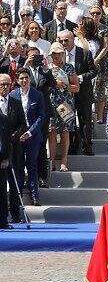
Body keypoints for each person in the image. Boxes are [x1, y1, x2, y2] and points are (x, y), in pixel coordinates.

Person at [10, 68, 44, 206]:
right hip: (18, 136)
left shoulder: (38, 95)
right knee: (18, 166)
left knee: (32, 165)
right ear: (17, 81)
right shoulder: (13, 95)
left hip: (33, 135)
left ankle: (34, 195)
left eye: (26, 78)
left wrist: (30, 132)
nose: (24, 80)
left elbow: (41, 116)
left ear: (30, 79)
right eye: (21, 78)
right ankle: (16, 197)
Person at [0, 73, 28, 228]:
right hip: (0, 148)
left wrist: (13, 136)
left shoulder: (16, 102)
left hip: (13, 147)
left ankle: (15, 215)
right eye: (2, 84)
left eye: (7, 84)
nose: (5, 87)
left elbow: (23, 124)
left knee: (15, 179)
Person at [46, 43, 77, 173]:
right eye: (53, 53)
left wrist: (64, 85)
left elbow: (76, 87)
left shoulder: (69, 68)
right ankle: (52, 161)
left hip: (65, 104)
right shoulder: (47, 68)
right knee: (51, 132)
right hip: (51, 103)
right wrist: (52, 85)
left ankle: (64, 162)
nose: (56, 56)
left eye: (58, 53)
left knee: (65, 132)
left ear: (63, 54)